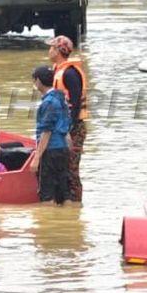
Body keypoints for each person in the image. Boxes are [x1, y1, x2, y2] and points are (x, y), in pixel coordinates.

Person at [46, 35, 88, 203]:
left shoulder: (70, 73)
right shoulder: (58, 70)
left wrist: (68, 130)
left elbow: (75, 104)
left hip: (73, 128)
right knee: (61, 166)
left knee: (71, 168)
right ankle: (65, 202)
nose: (49, 51)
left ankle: (76, 203)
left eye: (52, 48)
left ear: (59, 51)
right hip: (63, 127)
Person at [30, 66, 72, 205]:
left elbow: (46, 132)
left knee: (47, 197)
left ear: (38, 81)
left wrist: (36, 158)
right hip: (63, 150)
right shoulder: (61, 98)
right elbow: (67, 129)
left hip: (50, 151)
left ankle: (48, 224)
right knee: (65, 195)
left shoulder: (48, 102)